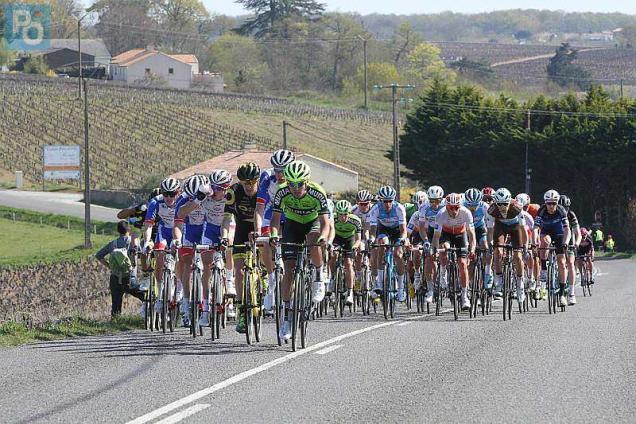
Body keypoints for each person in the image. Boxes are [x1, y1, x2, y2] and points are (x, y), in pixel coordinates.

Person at [269, 160, 331, 341]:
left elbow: (325, 222)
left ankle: (319, 275)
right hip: (292, 224)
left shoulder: (317, 193)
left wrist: (324, 237)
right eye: (291, 183)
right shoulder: (282, 192)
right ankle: (287, 317)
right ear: (286, 182)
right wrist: (273, 234)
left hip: (313, 223)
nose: (296, 188)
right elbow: (275, 219)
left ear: (306, 181)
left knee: (313, 241)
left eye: (300, 183)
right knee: (288, 270)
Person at [223, 162, 261, 333]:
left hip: (260, 228)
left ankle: (265, 280)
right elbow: (226, 218)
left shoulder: (263, 191)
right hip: (241, 229)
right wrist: (224, 236)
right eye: (246, 183)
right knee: (239, 271)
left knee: (266, 259)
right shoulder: (233, 192)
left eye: (252, 183)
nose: (249, 186)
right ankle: (242, 312)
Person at [96, 221, 146, 319]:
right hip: (130, 278)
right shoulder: (134, 243)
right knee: (145, 297)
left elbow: (99, 255)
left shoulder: (112, 244)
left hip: (115, 278)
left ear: (118, 231)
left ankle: (116, 322)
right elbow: (141, 255)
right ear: (128, 230)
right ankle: (151, 315)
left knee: (116, 304)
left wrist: (109, 266)